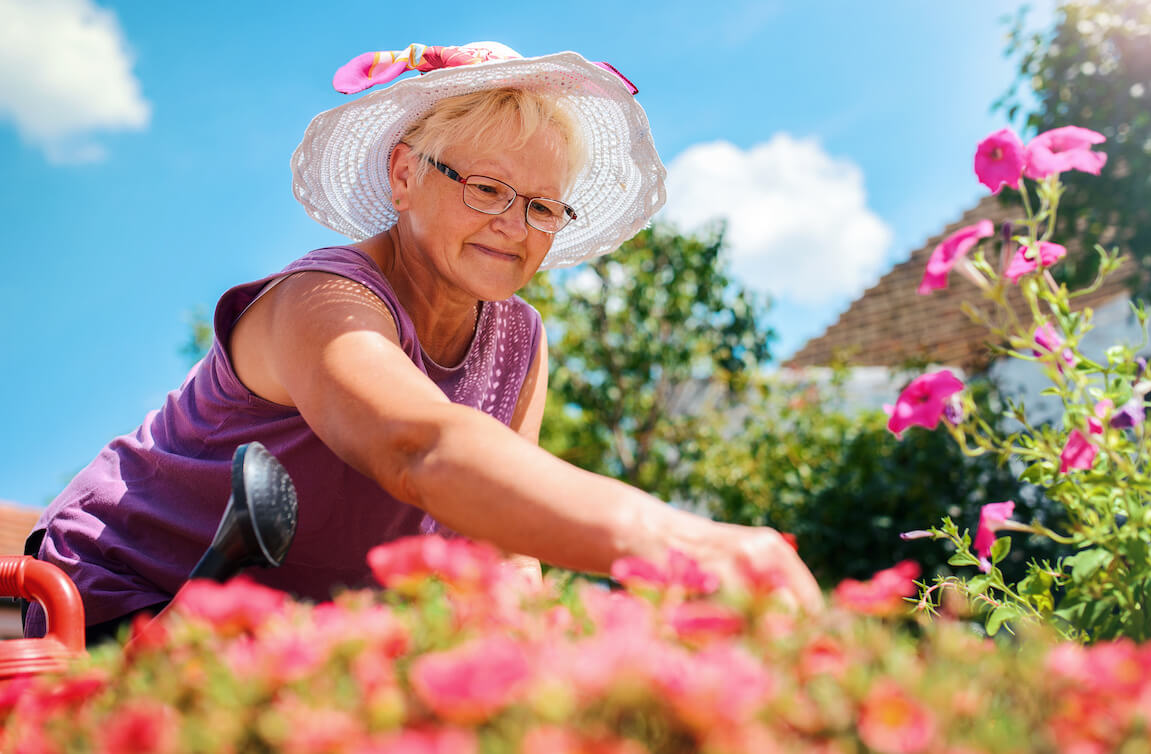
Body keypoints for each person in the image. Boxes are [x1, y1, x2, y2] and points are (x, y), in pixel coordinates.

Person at [25, 42, 821, 643]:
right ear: (404, 176)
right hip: (110, 608)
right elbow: (420, 446)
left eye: (543, 207)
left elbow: (504, 548)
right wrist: (682, 542)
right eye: (487, 189)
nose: (514, 225)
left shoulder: (520, 339)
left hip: (276, 635)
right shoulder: (322, 300)